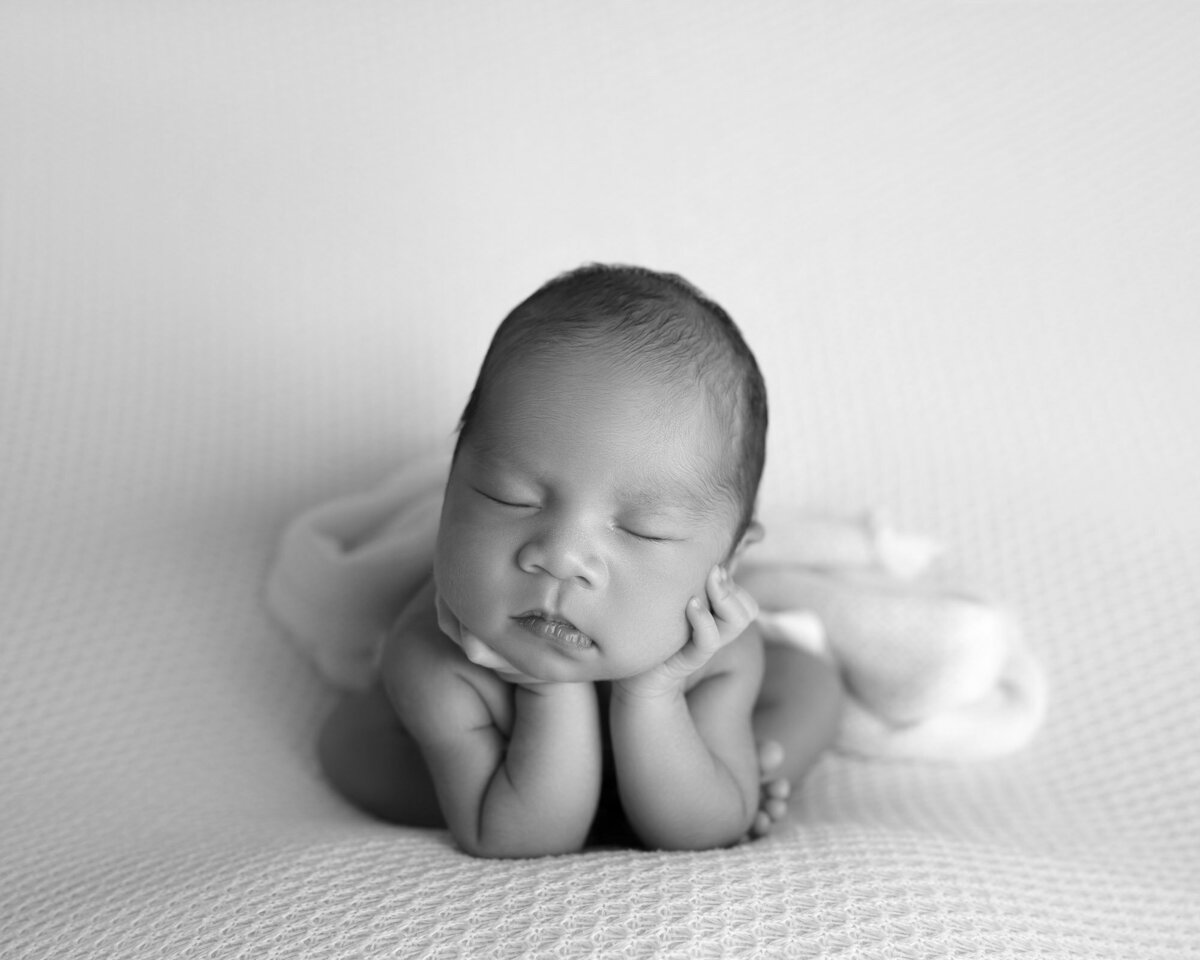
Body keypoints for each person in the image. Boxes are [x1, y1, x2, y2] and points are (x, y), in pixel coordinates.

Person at [317, 264, 844, 857]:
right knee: (359, 755)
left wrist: (655, 693)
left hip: (663, 692)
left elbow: (701, 836)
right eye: (510, 497)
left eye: (645, 531)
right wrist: (542, 687)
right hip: (452, 758)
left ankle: (735, 772)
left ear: (728, 562)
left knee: (812, 685)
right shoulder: (442, 662)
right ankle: (643, 789)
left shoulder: (712, 657)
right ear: (450, 489)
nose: (561, 558)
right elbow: (524, 839)